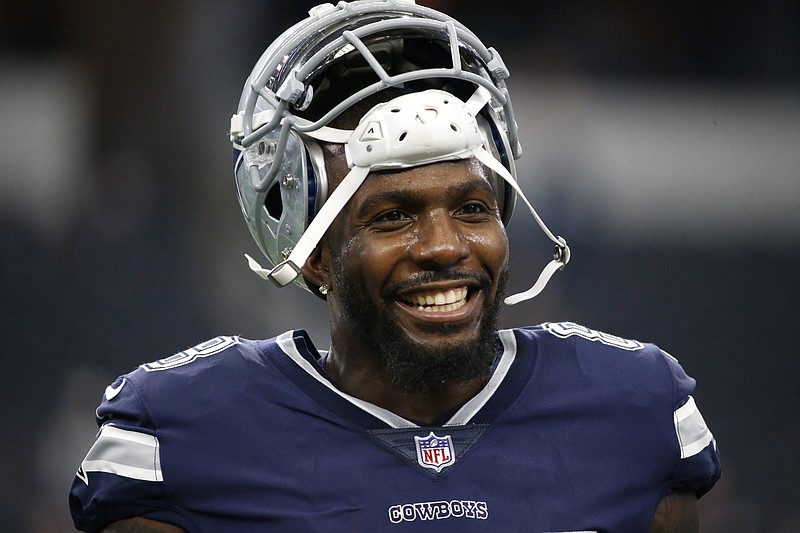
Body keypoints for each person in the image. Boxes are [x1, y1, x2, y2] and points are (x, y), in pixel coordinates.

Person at [69, 1, 720, 531]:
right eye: (393, 216)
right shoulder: (185, 436)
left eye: (470, 207)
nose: (444, 245)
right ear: (312, 252)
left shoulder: (632, 414)